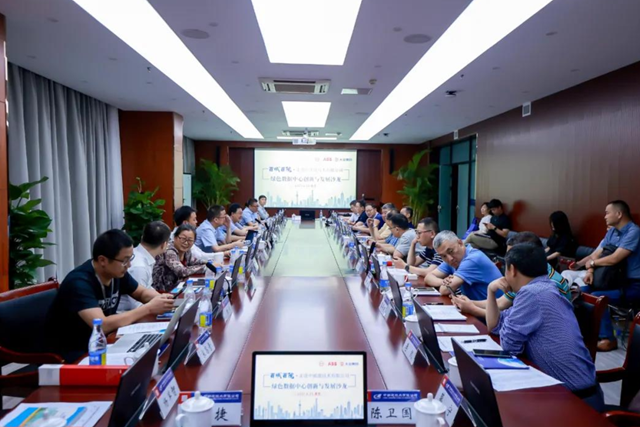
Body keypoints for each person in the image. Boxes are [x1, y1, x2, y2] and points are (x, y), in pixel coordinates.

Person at [486, 243, 603, 412]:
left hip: (576, 401)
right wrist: (491, 291)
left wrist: (509, 326)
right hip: (566, 392)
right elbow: (495, 325)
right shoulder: (543, 287)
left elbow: (509, 346)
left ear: (512, 269)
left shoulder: (532, 294)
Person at [45, 230, 175, 361]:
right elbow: (102, 325)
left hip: (104, 342)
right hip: (74, 352)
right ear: (103, 260)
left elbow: (141, 293)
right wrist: (149, 308)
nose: (129, 265)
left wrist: (163, 300)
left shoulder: (116, 273)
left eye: (130, 259)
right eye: (125, 261)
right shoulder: (79, 282)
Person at [452, 232, 571, 318]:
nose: (508, 262)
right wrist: (467, 303)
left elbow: (508, 322)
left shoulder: (548, 288)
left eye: (512, 257)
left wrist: (472, 308)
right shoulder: (525, 275)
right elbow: (501, 303)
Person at [580, 200, 640, 351]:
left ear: (619, 214)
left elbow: (615, 258)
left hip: (633, 284)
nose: (604, 216)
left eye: (607, 213)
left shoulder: (634, 231)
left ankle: (608, 339)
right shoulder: (612, 232)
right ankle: (587, 335)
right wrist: (590, 271)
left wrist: (592, 264)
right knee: (581, 292)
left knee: (598, 297)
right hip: (614, 281)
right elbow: (596, 254)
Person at [425, 230, 502, 300]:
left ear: (460, 243)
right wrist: (443, 282)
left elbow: (444, 290)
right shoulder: (452, 260)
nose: (449, 258)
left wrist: (445, 285)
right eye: (443, 256)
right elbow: (428, 277)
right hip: (478, 307)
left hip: (497, 309)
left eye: (451, 251)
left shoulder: (472, 259)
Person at [118, 221, 171, 312]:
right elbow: (136, 305)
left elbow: (146, 289)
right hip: (127, 314)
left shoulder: (142, 257)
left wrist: (163, 299)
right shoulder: (139, 267)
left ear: (142, 237)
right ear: (164, 245)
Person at [153, 224, 211, 292]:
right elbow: (181, 271)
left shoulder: (187, 251)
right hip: (161, 292)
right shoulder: (169, 251)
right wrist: (205, 267)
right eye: (183, 239)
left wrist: (210, 264)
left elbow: (194, 261)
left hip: (178, 288)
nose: (186, 243)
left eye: (190, 240)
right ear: (175, 237)